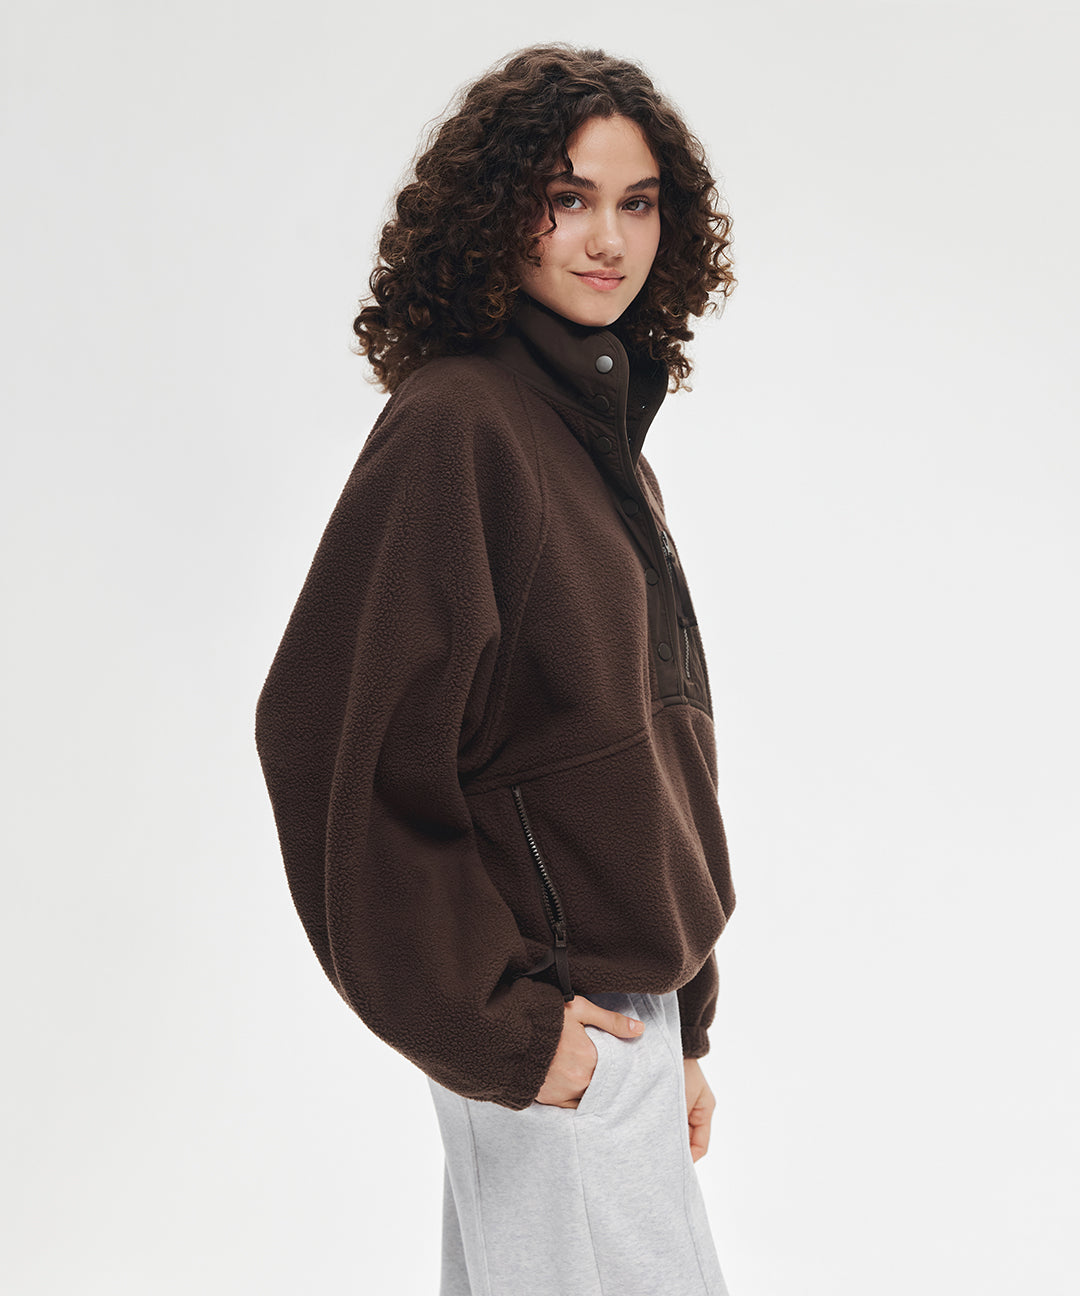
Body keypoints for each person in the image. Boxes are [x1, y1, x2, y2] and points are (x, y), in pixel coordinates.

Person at [255, 42, 739, 1296]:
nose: (608, 239)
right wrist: (501, 1026)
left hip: (619, 1024)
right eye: (567, 198)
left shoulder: (601, 447)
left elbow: (646, 758)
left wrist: (684, 1020)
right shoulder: (459, 425)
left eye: (639, 203)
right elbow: (328, 737)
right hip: (557, 1022)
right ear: (493, 213)